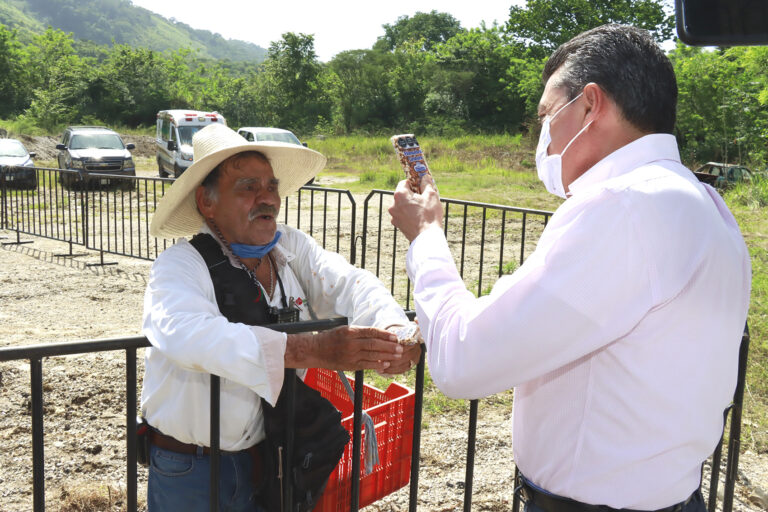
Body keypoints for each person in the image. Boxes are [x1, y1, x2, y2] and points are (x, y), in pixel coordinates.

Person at [389, 24, 751, 512]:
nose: (543, 135)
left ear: (589, 105)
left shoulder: (624, 206)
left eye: (546, 115)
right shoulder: (702, 201)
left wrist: (426, 235)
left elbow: (462, 361)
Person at [141, 123, 421, 511]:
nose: (267, 199)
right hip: (192, 466)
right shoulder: (179, 266)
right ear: (207, 203)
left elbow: (350, 284)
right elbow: (186, 334)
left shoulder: (289, 246)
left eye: (271, 187)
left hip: (269, 454)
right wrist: (311, 350)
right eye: (248, 188)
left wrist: (393, 331)